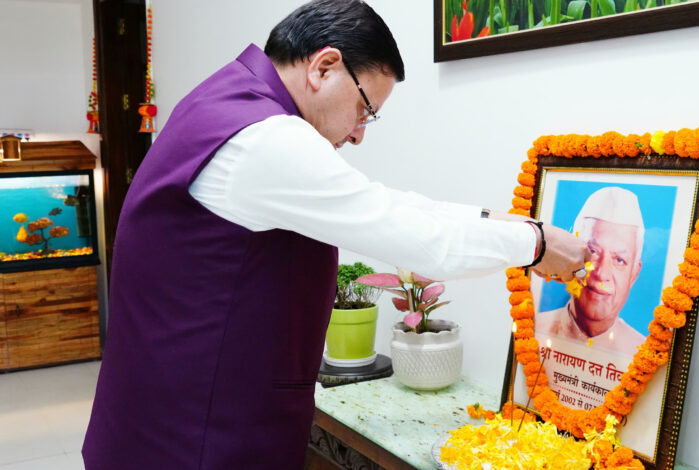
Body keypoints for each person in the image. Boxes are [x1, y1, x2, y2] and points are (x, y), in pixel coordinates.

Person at [81, 1, 590, 469]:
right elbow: (416, 238)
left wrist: (502, 221)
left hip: (156, 413)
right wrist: (537, 246)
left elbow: (386, 203)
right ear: (323, 67)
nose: (359, 132)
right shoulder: (266, 139)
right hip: (195, 437)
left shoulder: (226, 100)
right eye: (365, 109)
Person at [536, 186, 646, 356]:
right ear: (570, 254)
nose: (601, 274)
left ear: (634, 275)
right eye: (592, 251)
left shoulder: (643, 354)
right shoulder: (534, 330)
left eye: (619, 260)